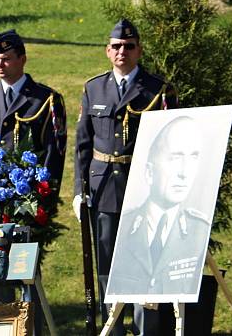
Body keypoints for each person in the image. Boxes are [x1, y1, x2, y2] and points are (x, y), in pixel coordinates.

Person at [73, 19, 178, 336]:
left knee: (145, 266)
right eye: (116, 46)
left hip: (144, 191)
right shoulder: (94, 88)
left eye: (129, 46)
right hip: (103, 188)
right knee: (107, 265)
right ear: (108, 51)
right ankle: (113, 329)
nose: (122, 51)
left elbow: (172, 144)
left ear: (139, 50)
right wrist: (79, 190)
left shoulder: (158, 90)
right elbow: (82, 145)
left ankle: (145, 329)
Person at [108, 116, 210, 297]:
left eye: (193, 157)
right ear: (149, 172)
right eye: (175, 158)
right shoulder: (125, 227)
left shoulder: (199, 229)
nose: (184, 172)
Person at [0, 29, 67, 188]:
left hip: (29, 193)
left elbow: (53, 154)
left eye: (6, 59)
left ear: (23, 59)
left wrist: (47, 196)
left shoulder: (46, 99)